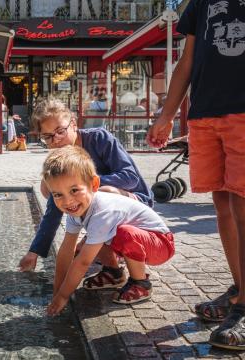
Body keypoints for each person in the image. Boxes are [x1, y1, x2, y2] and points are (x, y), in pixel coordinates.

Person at [147, 0, 245, 350]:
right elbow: (187, 60)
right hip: (205, 113)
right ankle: (239, 290)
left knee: (243, 207)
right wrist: (167, 114)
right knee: (224, 207)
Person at [19, 98, 154, 288]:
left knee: (100, 193)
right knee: (54, 190)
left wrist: (83, 185)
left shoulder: (99, 138)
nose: (56, 140)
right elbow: (53, 212)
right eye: (48, 137)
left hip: (135, 201)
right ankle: (112, 268)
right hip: (106, 208)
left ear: (73, 124)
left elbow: (131, 178)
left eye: (60, 131)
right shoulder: (61, 160)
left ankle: (131, 276)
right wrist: (35, 252)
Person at [44, 146, 174, 315]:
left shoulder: (103, 211)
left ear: (94, 184)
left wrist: (63, 296)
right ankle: (114, 273)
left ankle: (140, 283)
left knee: (120, 234)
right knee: (90, 241)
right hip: (139, 240)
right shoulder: (75, 208)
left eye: (74, 190)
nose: (68, 201)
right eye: (58, 195)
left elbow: (83, 262)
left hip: (161, 244)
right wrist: (57, 292)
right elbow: (65, 251)